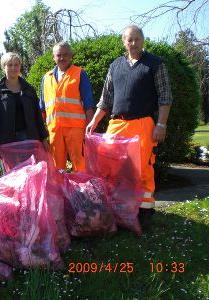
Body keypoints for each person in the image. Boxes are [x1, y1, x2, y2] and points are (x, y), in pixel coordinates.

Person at [86, 25, 173, 225]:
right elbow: (105, 100)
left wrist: (161, 124)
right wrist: (94, 121)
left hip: (143, 125)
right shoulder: (115, 65)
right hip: (117, 125)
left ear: (143, 40)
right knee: (112, 169)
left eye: (137, 39)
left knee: (142, 170)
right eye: (129, 39)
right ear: (124, 42)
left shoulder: (155, 64)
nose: (133, 43)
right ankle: (117, 211)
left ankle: (144, 213)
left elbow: (165, 97)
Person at [40, 41, 94, 172]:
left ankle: (82, 192)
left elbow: (89, 105)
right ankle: (60, 192)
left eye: (65, 55)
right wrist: (42, 134)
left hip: (76, 129)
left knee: (80, 165)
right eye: (59, 55)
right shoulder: (46, 78)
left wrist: (90, 132)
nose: (62, 58)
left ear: (71, 56)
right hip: (54, 131)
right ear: (53, 57)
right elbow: (42, 108)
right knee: (57, 168)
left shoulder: (80, 74)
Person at [0, 52, 49, 161]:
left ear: (20, 66)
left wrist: (44, 138)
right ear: (3, 67)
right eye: (9, 65)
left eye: (16, 64)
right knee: (12, 175)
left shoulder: (29, 89)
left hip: (28, 139)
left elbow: (37, 115)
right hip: (6, 141)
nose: (13, 68)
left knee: (29, 174)